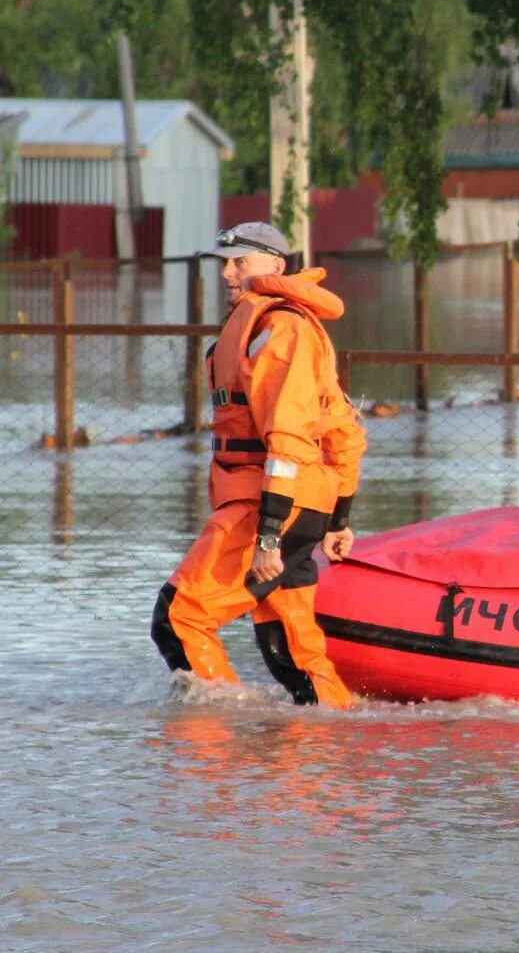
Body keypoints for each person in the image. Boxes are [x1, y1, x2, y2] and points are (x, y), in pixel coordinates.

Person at [151, 222, 367, 708]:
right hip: (290, 506)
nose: (227, 273)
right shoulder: (271, 324)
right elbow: (343, 432)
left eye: (239, 263)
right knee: (288, 648)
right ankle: (326, 746)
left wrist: (270, 534)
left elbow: (289, 437)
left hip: (267, 509)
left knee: (179, 618)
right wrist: (338, 518)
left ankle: (215, 756)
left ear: (275, 266)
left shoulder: (280, 328)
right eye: (224, 263)